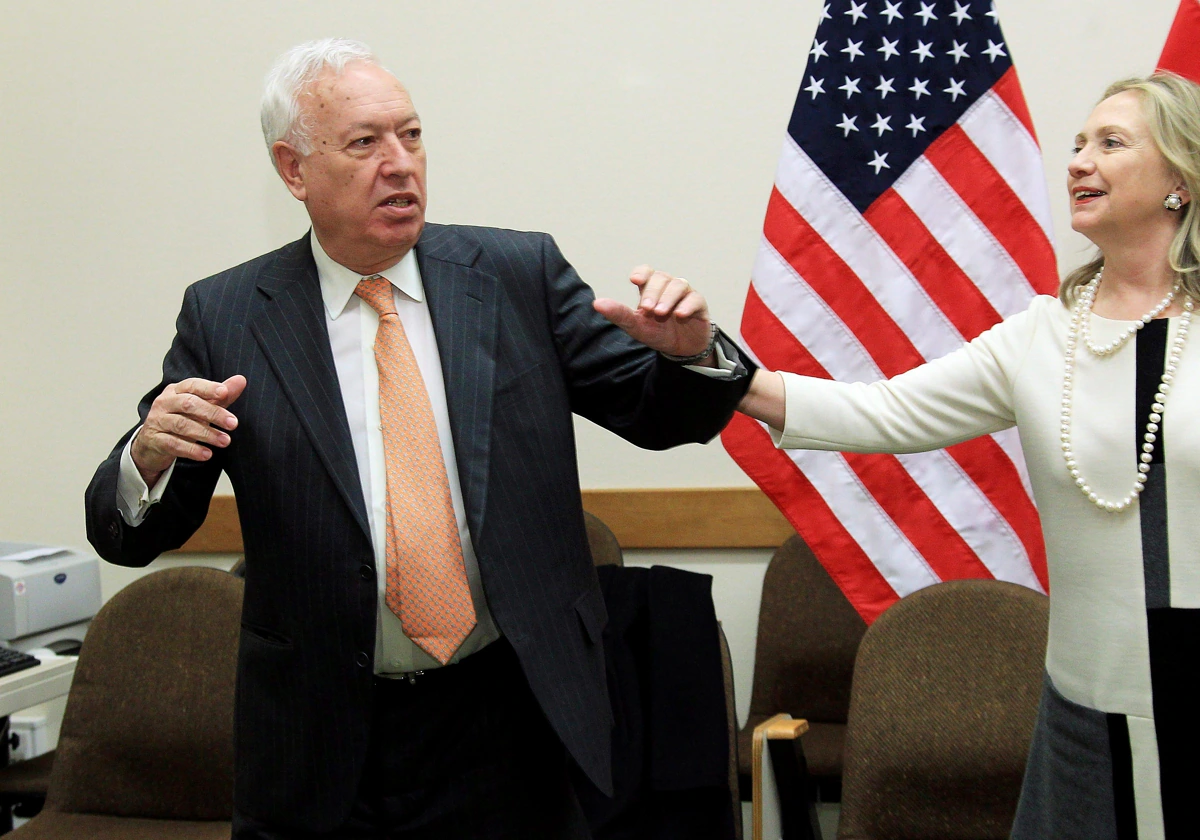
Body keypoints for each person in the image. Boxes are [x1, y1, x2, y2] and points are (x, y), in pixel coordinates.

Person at [85, 38, 753, 839]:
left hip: (511, 717)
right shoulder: (228, 315)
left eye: (412, 135)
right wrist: (147, 456)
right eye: (365, 142)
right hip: (322, 739)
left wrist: (691, 357)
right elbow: (135, 533)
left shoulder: (515, 274)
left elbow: (661, 418)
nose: (400, 163)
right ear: (293, 170)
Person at [734, 73, 1200, 839]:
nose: (1080, 160)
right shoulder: (1042, 335)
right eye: (1078, 144)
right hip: (1084, 700)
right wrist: (721, 371)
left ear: (1180, 178)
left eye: (1111, 143)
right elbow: (880, 411)